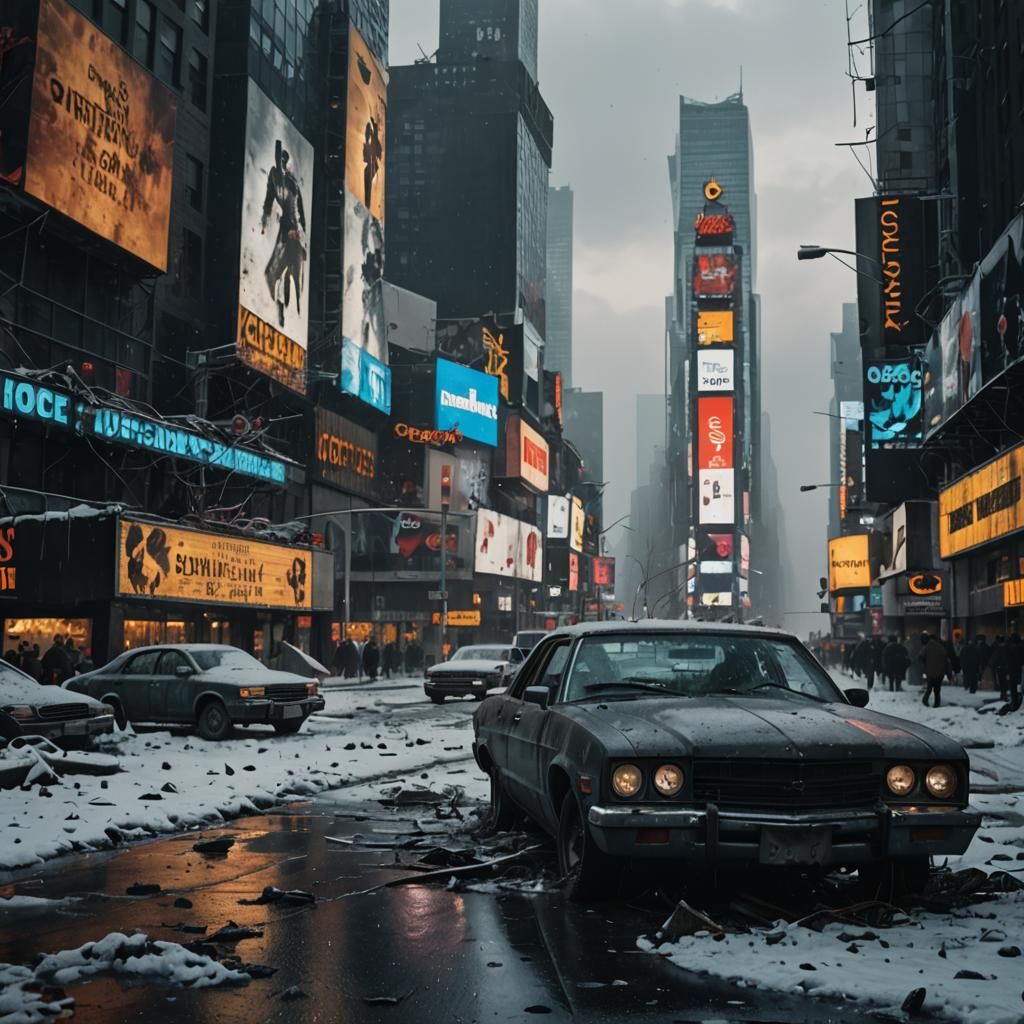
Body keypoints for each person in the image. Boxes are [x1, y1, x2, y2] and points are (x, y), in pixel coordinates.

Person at [261, 139, 307, 329]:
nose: (280, 163)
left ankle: (286, 307)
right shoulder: (274, 176)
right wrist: (265, 214)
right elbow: (270, 196)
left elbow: (299, 210)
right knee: (274, 272)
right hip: (287, 231)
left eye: (283, 160)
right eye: (279, 159)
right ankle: (280, 304)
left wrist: (299, 231)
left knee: (283, 272)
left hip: (292, 232)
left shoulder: (290, 182)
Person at [920, 632, 952, 708]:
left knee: (929, 687)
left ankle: (925, 700)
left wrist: (924, 664)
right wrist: (949, 674)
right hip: (940, 672)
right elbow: (946, 661)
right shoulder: (941, 648)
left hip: (930, 671)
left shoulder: (927, 647)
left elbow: (921, 657)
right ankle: (937, 704)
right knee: (937, 689)